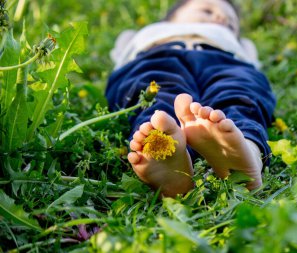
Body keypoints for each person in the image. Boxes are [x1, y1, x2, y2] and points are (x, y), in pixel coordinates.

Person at [106, 0, 276, 197]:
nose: (221, 18)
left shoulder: (237, 45)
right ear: (171, 17)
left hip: (224, 62)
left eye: (231, 24)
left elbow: (250, 59)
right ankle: (161, 145)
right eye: (207, 10)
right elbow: (123, 51)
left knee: (238, 93)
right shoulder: (152, 33)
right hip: (159, 57)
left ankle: (248, 149)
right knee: (155, 96)